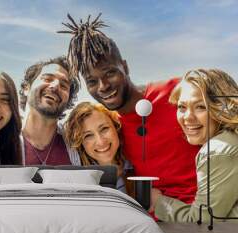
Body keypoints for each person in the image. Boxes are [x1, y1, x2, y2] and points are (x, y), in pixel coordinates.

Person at [59, 14, 199, 204]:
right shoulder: (114, 128)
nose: (103, 86)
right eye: (92, 81)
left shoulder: (175, 92)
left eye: (110, 73)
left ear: (124, 66)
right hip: (159, 220)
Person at [150, 69, 238, 222]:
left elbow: (202, 223)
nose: (188, 117)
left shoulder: (216, 151)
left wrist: (159, 202)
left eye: (201, 107)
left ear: (223, 107)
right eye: (181, 107)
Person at [20, 56, 81, 165]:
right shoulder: (1, 140)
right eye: (47, 79)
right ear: (26, 88)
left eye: (64, 85)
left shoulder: (78, 145)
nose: (56, 86)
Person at [64, 102, 133, 194]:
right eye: (88, 135)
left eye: (104, 129)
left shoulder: (137, 164)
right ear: (81, 144)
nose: (101, 142)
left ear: (115, 126)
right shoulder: (80, 182)